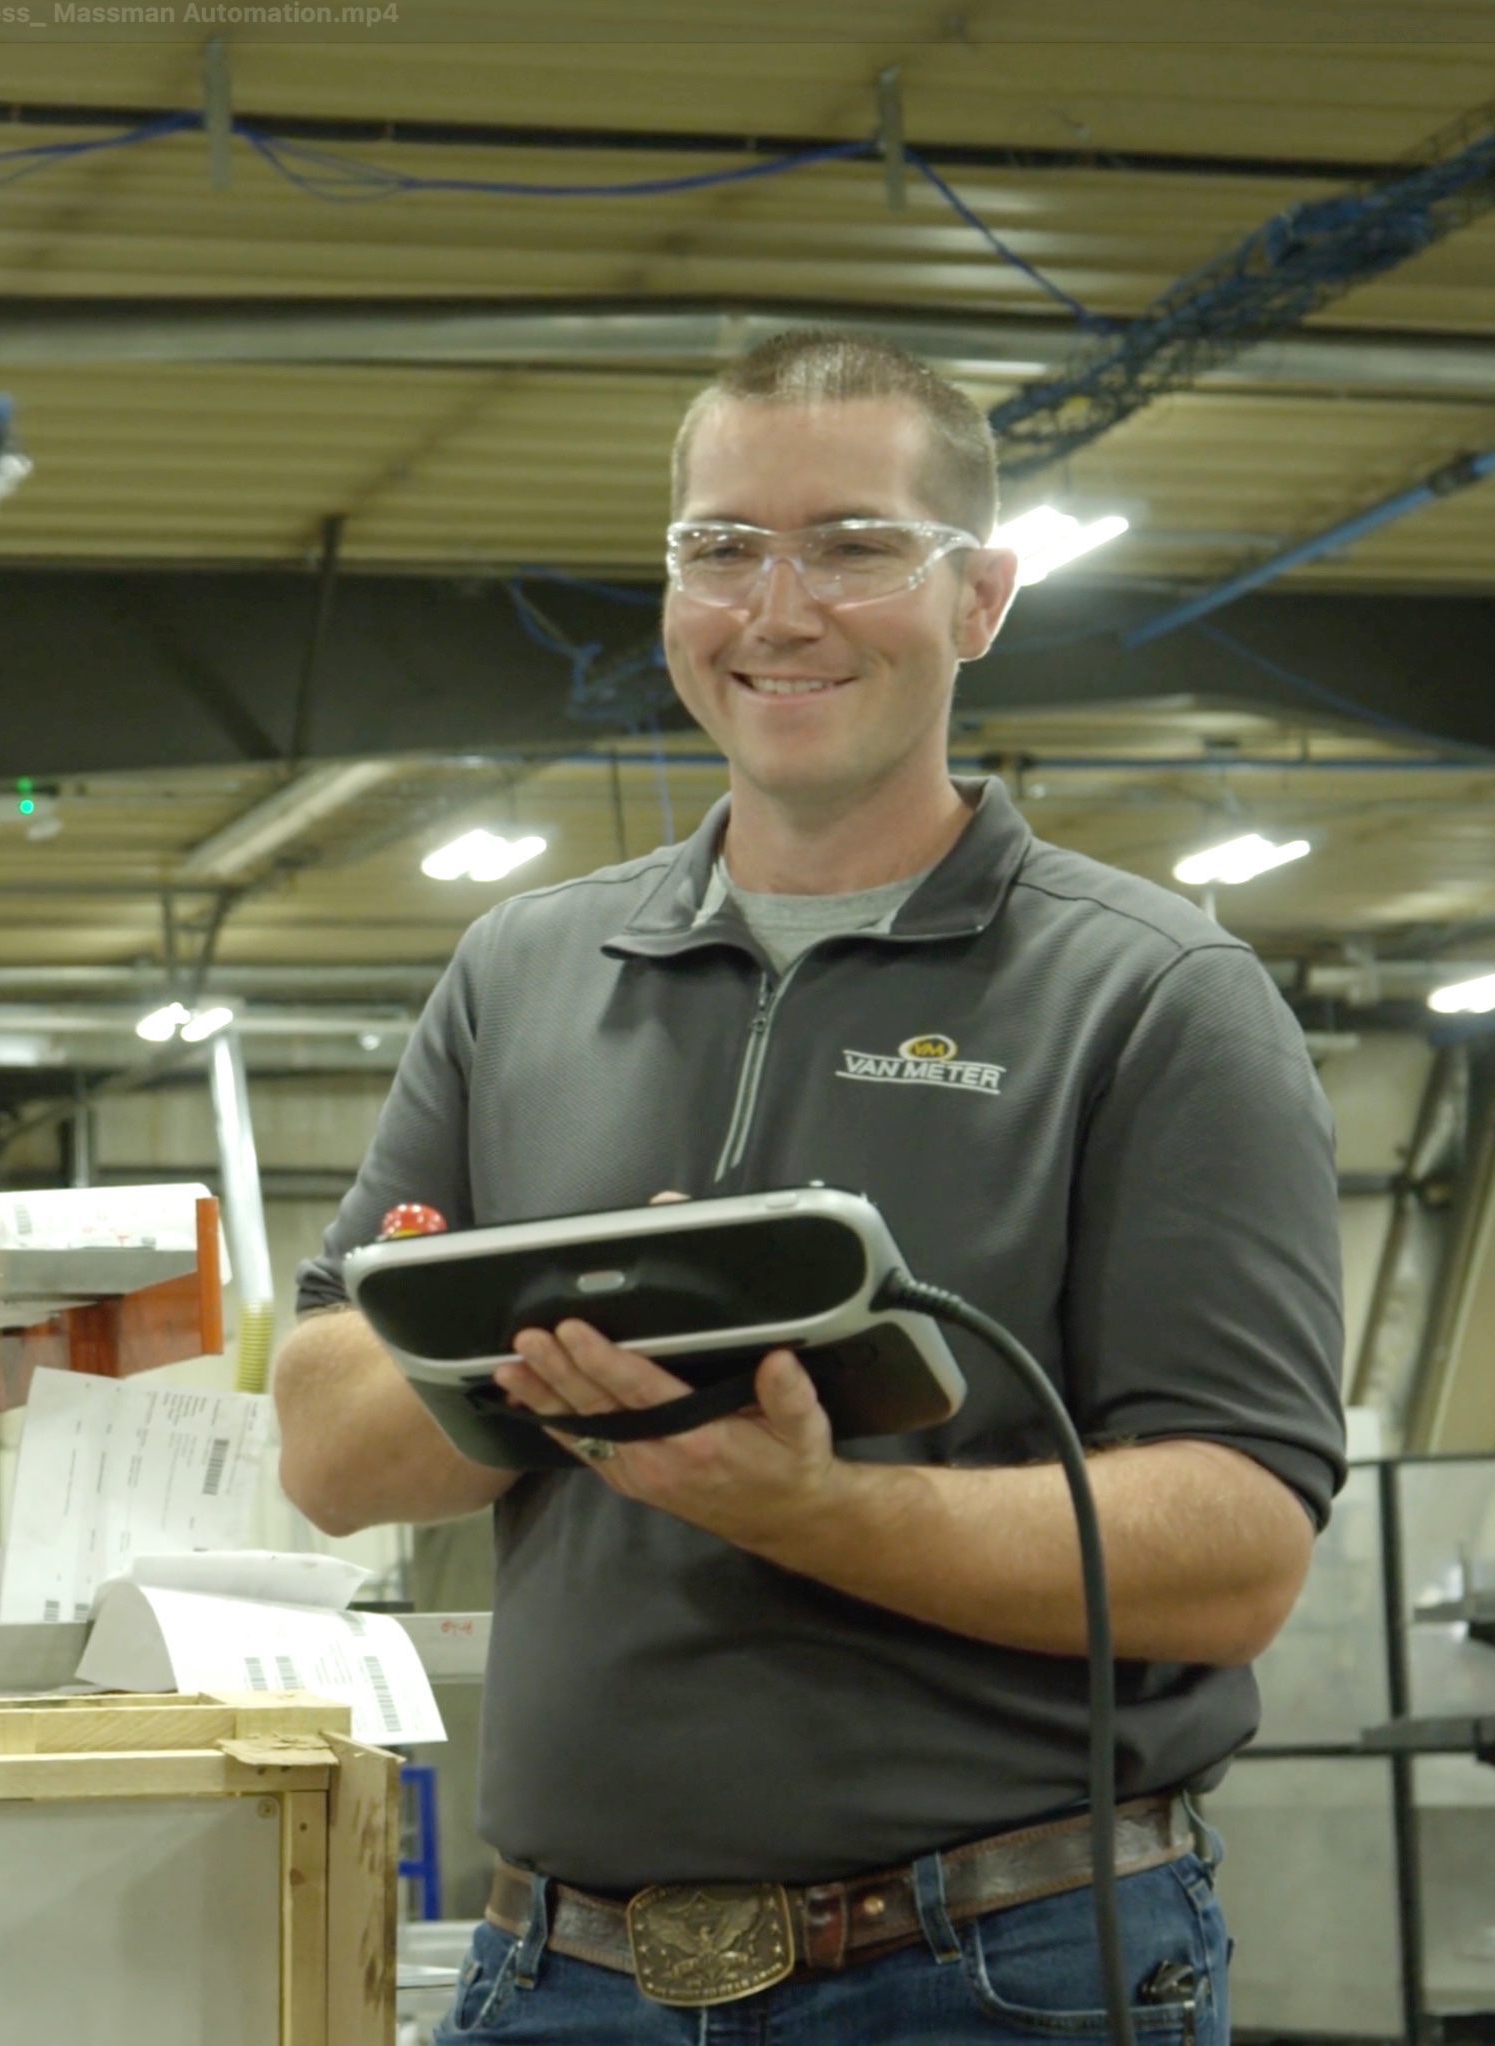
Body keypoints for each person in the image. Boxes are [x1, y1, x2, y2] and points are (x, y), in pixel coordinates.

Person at [273, 328, 1345, 2045]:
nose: (777, 609)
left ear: (981, 596)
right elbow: (327, 1432)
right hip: (563, 1976)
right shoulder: (525, 972)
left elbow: (1234, 1547)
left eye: (853, 545)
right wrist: (584, 1367)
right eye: (721, 547)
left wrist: (808, 1508)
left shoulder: (1150, 993)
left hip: (996, 1971)